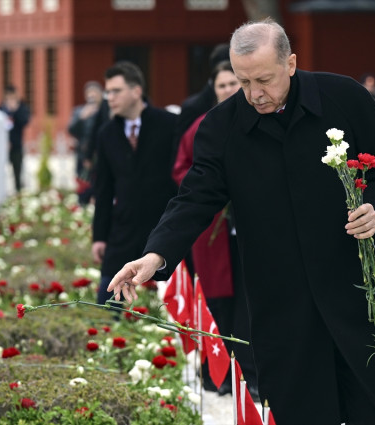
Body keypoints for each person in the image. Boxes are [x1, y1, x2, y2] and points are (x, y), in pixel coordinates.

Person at [108, 18, 375, 425]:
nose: (254, 94)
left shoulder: (346, 98)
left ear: (291, 63)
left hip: (355, 287)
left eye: (263, 80)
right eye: (243, 81)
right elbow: (195, 197)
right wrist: (156, 254)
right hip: (280, 302)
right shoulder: (220, 126)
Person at [172, 60, 258, 398]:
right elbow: (183, 170)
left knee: (249, 305)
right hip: (214, 233)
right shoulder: (200, 127)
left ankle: (250, 373)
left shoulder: (257, 121)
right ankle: (216, 374)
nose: (227, 90)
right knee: (216, 304)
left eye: (233, 84)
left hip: (250, 234)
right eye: (221, 85)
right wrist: (218, 191)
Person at [91, 61, 178, 305]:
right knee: (108, 303)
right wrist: (99, 237)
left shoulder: (169, 124)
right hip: (123, 229)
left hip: (163, 226)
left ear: (136, 91)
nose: (109, 97)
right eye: (107, 92)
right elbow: (104, 189)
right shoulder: (106, 133)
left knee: (167, 306)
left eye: (116, 91)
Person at [68, 81, 104, 180]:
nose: (92, 95)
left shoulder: (105, 111)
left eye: (95, 92)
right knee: (83, 181)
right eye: (89, 93)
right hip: (83, 152)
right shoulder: (79, 111)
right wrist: (81, 117)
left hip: (101, 152)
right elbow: (71, 130)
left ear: (101, 94)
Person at [0, 85, 30, 193]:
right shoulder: (0, 109)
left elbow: (25, 121)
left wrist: (15, 111)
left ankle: (18, 193)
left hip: (16, 145)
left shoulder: (21, 108)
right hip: (2, 146)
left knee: (17, 173)